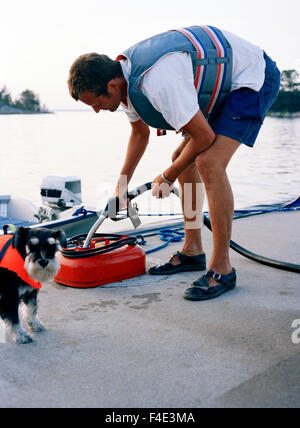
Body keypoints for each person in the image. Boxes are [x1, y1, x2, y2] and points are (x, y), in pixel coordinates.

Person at [67, 25, 280, 301]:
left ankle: (222, 269)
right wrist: (121, 187)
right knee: (185, 160)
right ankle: (193, 251)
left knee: (209, 163)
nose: (96, 111)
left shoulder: (155, 80)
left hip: (252, 79)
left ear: (111, 85)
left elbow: (203, 137)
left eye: (94, 103)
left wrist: (167, 177)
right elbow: (139, 133)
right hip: (226, 84)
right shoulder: (123, 79)